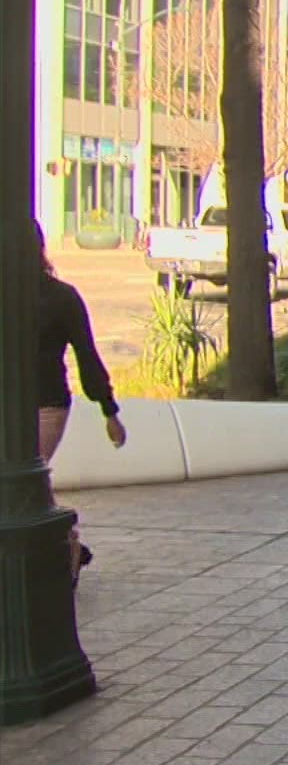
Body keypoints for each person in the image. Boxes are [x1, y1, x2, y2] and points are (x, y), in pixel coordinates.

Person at [33, 221, 126, 584]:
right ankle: (67, 545)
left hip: (46, 405)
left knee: (28, 481)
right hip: (18, 405)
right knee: (26, 486)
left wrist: (109, 410)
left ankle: (67, 545)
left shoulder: (61, 298)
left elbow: (87, 355)